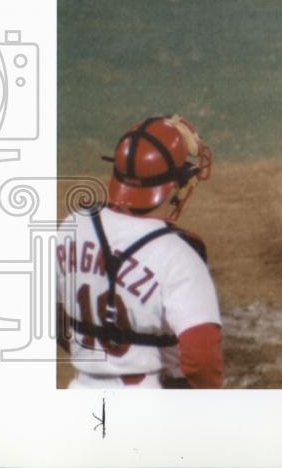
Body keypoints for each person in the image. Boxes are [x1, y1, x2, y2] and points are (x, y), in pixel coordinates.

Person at [56, 115, 223, 388]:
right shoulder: (179, 256)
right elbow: (202, 357)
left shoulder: (73, 225)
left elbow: (46, 310)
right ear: (172, 187)